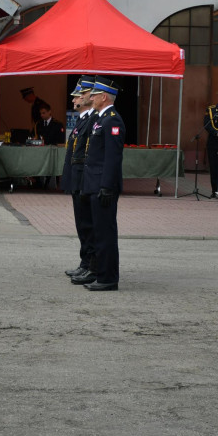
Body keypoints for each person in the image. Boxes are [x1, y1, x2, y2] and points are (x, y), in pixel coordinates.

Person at [73, 75, 125, 292]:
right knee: (98, 231)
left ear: (104, 97)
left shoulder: (112, 120)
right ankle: (100, 273)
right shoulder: (101, 119)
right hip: (94, 185)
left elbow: (112, 158)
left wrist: (107, 186)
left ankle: (108, 278)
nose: (90, 98)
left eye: (94, 94)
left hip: (103, 187)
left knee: (105, 234)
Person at [61, 76, 97, 281]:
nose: (75, 99)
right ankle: (85, 262)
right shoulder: (83, 120)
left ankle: (90, 264)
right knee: (81, 225)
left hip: (85, 180)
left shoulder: (93, 120)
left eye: (80, 95)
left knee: (87, 225)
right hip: (77, 179)